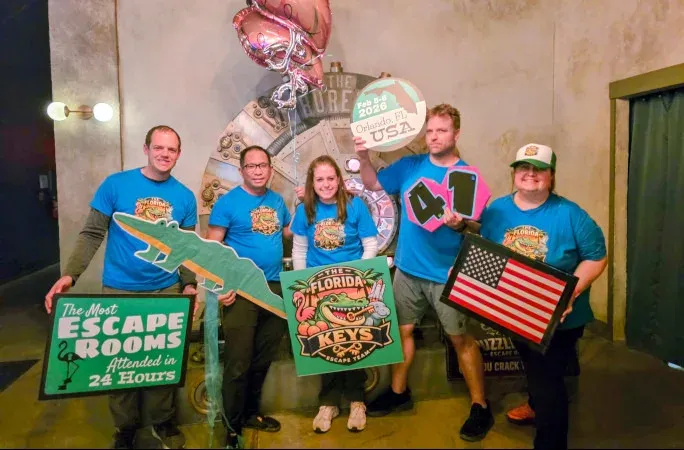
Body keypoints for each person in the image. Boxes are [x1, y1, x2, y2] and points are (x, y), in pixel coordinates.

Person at [44, 125, 198, 450]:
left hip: (166, 289)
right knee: (118, 362)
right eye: (159, 147)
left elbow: (185, 247)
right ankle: (125, 428)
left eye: (171, 149)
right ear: (146, 149)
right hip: (120, 288)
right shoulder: (115, 185)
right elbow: (91, 233)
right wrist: (70, 275)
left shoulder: (185, 197)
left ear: (179, 154)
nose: (165, 154)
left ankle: (161, 421)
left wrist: (189, 284)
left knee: (162, 360)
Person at [354, 104, 494, 441]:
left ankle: (480, 406)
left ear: (456, 134)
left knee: (460, 339)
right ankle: (398, 393)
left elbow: (481, 226)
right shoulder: (410, 166)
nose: (433, 137)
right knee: (403, 331)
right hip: (407, 270)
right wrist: (364, 157)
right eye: (429, 131)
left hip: (446, 273)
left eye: (441, 131)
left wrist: (461, 225)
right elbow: (372, 184)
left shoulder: (468, 175)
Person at [479, 143, 607, 449]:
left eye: (539, 169)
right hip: (514, 313)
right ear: (514, 173)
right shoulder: (496, 210)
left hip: (559, 318)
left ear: (551, 175)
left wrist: (570, 292)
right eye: (523, 167)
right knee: (533, 366)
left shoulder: (570, 214)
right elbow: (488, 252)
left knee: (547, 379)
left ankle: (551, 441)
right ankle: (536, 406)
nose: (530, 174)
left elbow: (596, 256)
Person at [205, 145, 291, 449]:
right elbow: (212, 249)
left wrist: (313, 207)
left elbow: (289, 233)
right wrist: (218, 287)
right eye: (251, 166)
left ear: (270, 169)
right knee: (238, 363)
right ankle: (231, 426)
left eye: (262, 165)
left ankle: (251, 413)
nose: (258, 171)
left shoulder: (278, 201)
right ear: (242, 170)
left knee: (262, 359)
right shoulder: (227, 203)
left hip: (274, 288)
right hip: (240, 291)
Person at [290, 155, 379, 433]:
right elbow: (299, 250)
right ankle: (328, 403)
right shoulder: (305, 210)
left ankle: (357, 401)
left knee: (355, 341)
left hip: (352, 288)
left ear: (339, 180)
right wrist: (303, 285)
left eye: (331, 178)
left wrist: (360, 278)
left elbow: (371, 244)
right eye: (320, 179)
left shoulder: (355, 206)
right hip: (319, 289)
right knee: (324, 344)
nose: (326, 184)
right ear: (312, 183)